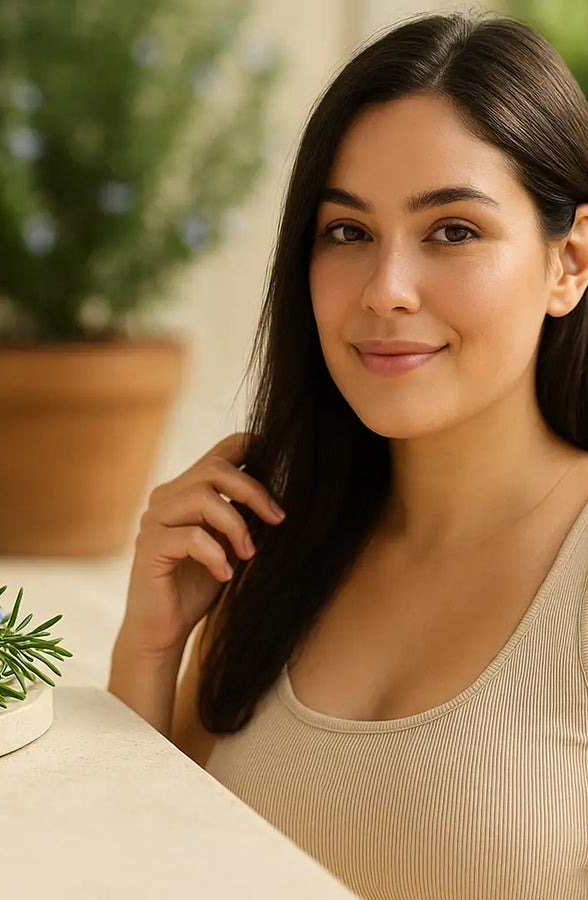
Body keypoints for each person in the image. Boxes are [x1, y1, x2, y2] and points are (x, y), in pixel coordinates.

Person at [107, 11, 588, 900]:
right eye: (348, 232)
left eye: (452, 230)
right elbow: (141, 874)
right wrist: (150, 647)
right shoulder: (271, 558)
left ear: (570, 262)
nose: (386, 291)